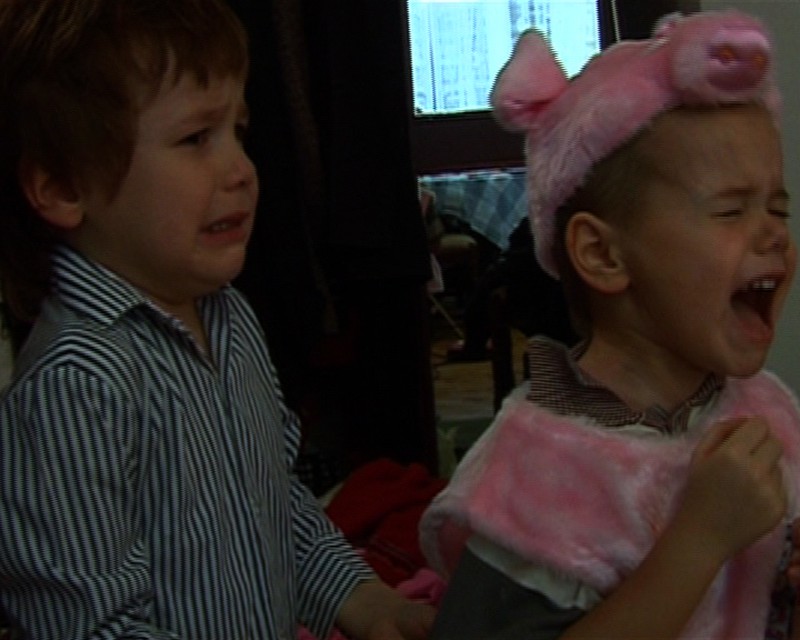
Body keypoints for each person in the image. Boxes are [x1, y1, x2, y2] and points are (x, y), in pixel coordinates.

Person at [0, 1, 435, 638]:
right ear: (65, 187)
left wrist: (368, 603)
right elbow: (94, 626)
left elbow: (275, 503)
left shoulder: (230, 316)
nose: (242, 171)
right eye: (195, 139)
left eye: (239, 132)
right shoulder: (75, 385)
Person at [419, 9, 800, 639]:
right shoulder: (537, 473)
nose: (773, 236)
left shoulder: (766, 409)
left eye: (778, 209)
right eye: (731, 211)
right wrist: (700, 540)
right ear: (602, 254)